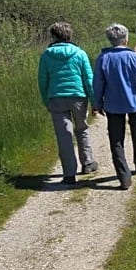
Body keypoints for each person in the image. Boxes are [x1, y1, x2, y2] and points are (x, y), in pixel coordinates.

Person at [93, 23, 136, 190]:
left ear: (109, 40)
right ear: (126, 39)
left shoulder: (103, 58)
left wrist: (97, 104)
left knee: (116, 141)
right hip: (135, 104)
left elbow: (98, 84)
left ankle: (124, 178)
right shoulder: (135, 58)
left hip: (113, 106)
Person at [38, 22, 98, 186]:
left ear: (54, 36)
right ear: (69, 35)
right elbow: (89, 80)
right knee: (82, 129)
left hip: (56, 98)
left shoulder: (46, 55)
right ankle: (87, 163)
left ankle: (69, 174)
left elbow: (43, 82)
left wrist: (46, 101)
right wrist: (95, 102)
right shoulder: (80, 54)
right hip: (78, 97)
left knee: (64, 136)